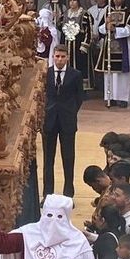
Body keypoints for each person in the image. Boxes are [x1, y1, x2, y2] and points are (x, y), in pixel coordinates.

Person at [42, 46, 85, 197]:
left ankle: (68, 194)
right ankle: (48, 194)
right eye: (57, 56)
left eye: (62, 56)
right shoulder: (45, 73)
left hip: (67, 121)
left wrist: (71, 111)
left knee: (68, 158)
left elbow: (80, 97)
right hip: (49, 121)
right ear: (53, 57)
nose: (59, 59)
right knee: (48, 159)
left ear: (67, 57)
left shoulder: (76, 75)